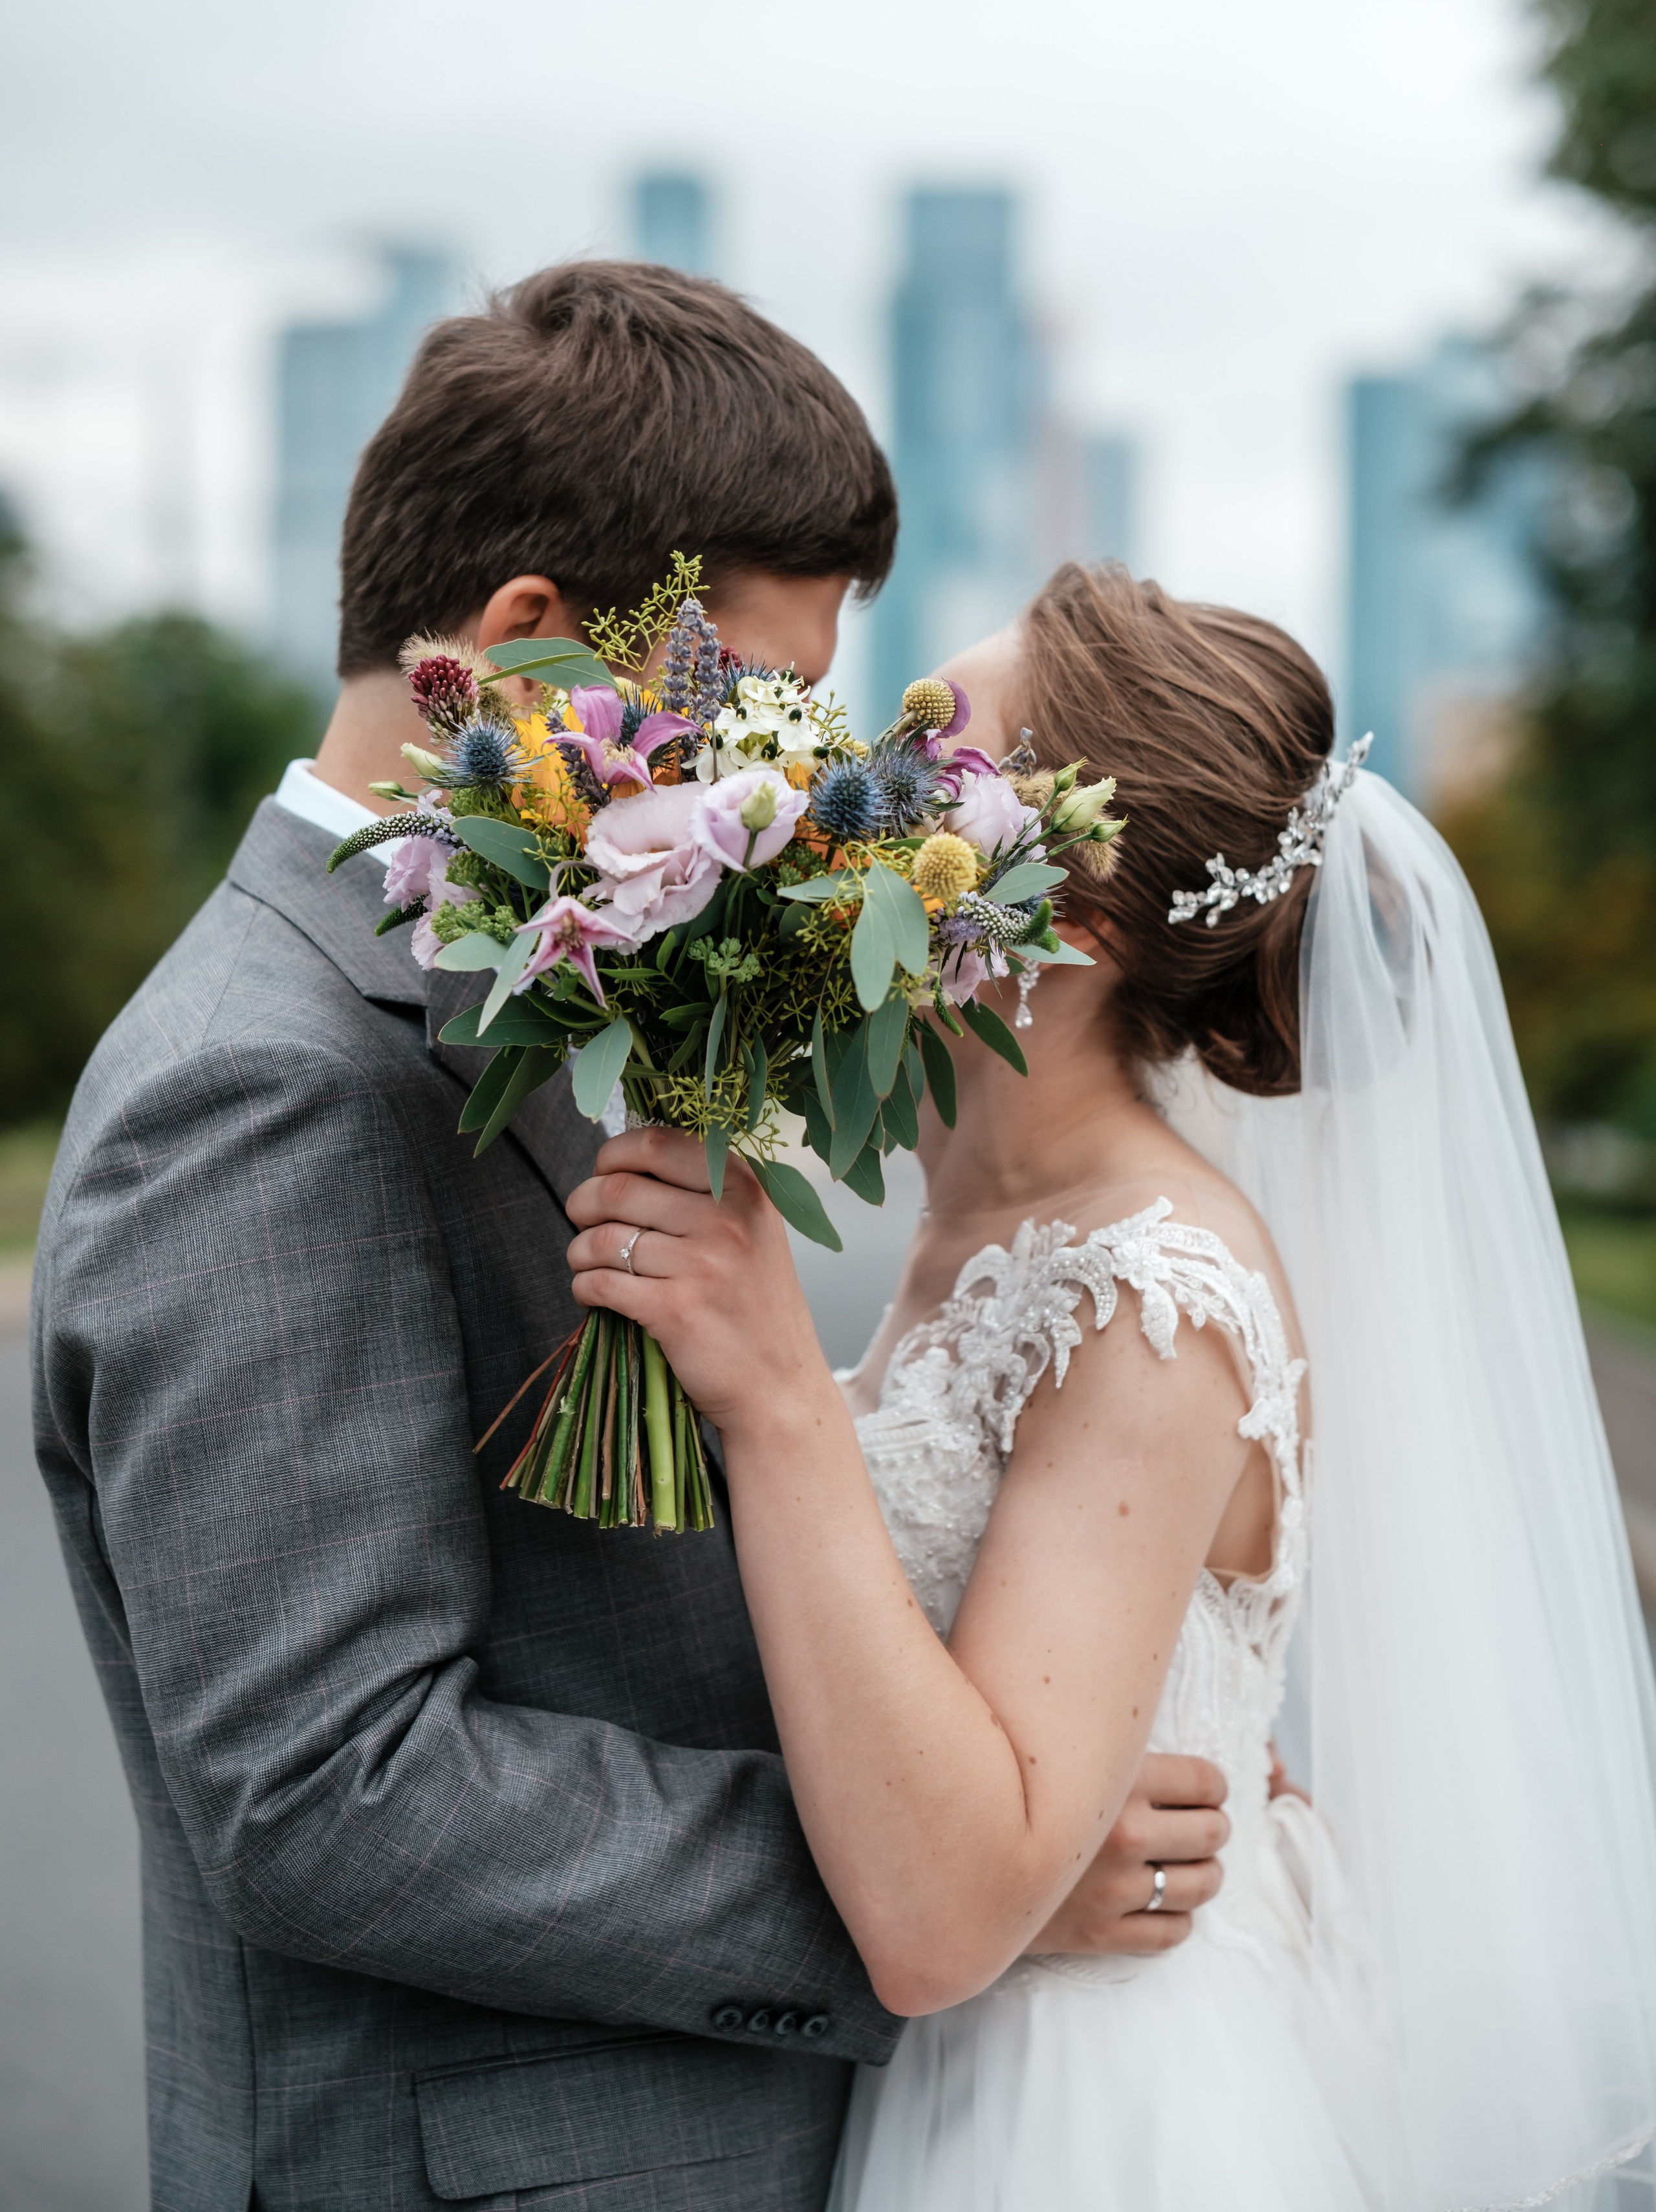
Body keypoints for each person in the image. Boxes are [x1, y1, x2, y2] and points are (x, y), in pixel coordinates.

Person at [32, 266, 1229, 2212]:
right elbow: (330, 1793)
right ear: (526, 648)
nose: (776, 781)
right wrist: (961, 1882)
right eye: (749, 703)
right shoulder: (260, 1087)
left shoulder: (534, 985)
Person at [565, 561, 1656, 2209]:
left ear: (1055, 919)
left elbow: (941, 1920)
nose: (841, 787)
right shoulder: (985, 1221)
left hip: (1089, 2114)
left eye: (923, 759)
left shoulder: (1149, 1294)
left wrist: (779, 1394)